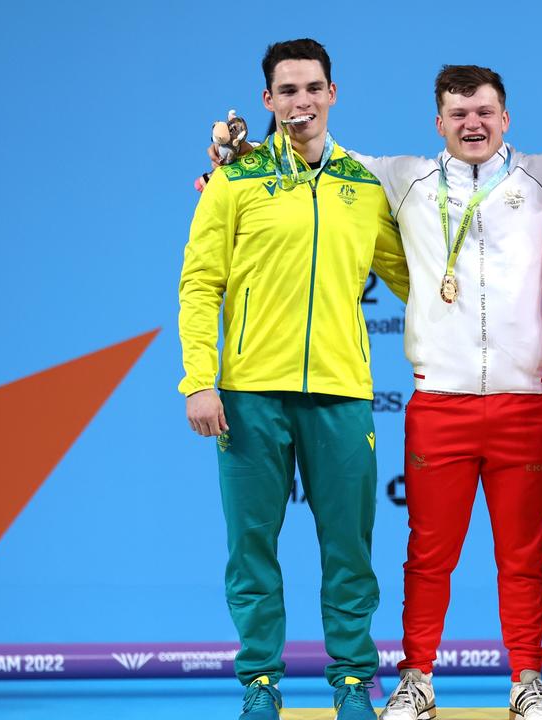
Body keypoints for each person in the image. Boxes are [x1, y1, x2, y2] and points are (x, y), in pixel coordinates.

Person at [203, 63, 542, 720]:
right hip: (438, 402)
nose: (472, 124)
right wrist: (238, 154)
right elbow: (311, 150)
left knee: (526, 555)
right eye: (457, 114)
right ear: (437, 123)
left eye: (484, 113)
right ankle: (417, 678)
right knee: (428, 554)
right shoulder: (401, 175)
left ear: (506, 119)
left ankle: (527, 679)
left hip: (525, 403)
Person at [178, 38, 408, 720]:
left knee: (350, 548)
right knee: (251, 549)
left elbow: (418, 280)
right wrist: (199, 379)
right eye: (287, 90)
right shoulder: (235, 179)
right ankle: (260, 682)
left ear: (332, 94)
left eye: (313, 88)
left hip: (341, 393)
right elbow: (200, 283)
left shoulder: (363, 187)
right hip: (249, 394)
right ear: (268, 100)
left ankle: (350, 681)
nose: (301, 101)